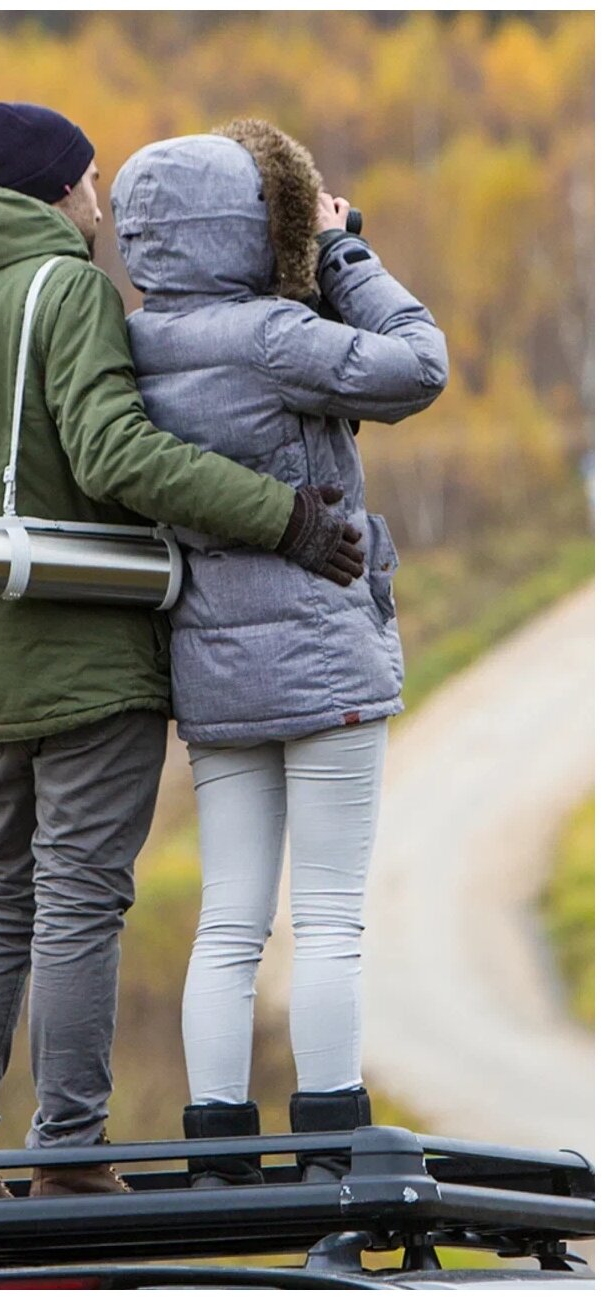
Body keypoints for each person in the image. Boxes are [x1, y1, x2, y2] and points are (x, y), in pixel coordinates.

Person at [0, 103, 365, 1202]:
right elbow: (115, 453)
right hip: (85, 651)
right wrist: (282, 516)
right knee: (78, 899)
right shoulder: (65, 290)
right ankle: (69, 1154)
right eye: (90, 181)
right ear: (53, 189)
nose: (100, 206)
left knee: (2, 897)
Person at [110, 121, 448, 1186]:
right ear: (245, 228)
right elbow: (418, 365)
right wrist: (343, 255)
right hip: (323, 659)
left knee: (228, 922)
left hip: (214, 674)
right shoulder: (273, 337)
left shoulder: (134, 343)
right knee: (330, 919)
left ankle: (218, 1154)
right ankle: (333, 1149)